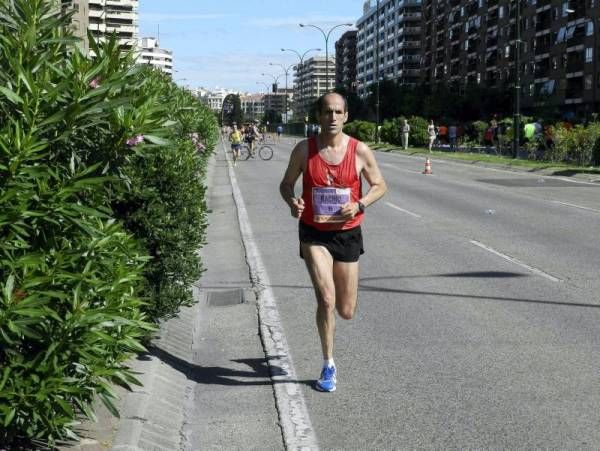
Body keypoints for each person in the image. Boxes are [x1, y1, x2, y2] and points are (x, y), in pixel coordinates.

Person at [279, 92, 387, 393]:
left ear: (346, 116)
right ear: (319, 116)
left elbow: (380, 185)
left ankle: (332, 344)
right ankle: (328, 364)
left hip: (348, 233)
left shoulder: (360, 151)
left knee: (346, 309)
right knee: (326, 298)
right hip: (314, 232)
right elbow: (286, 184)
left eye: (338, 112)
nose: (332, 117)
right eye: (327, 112)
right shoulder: (304, 150)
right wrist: (292, 202)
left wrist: (361, 204)